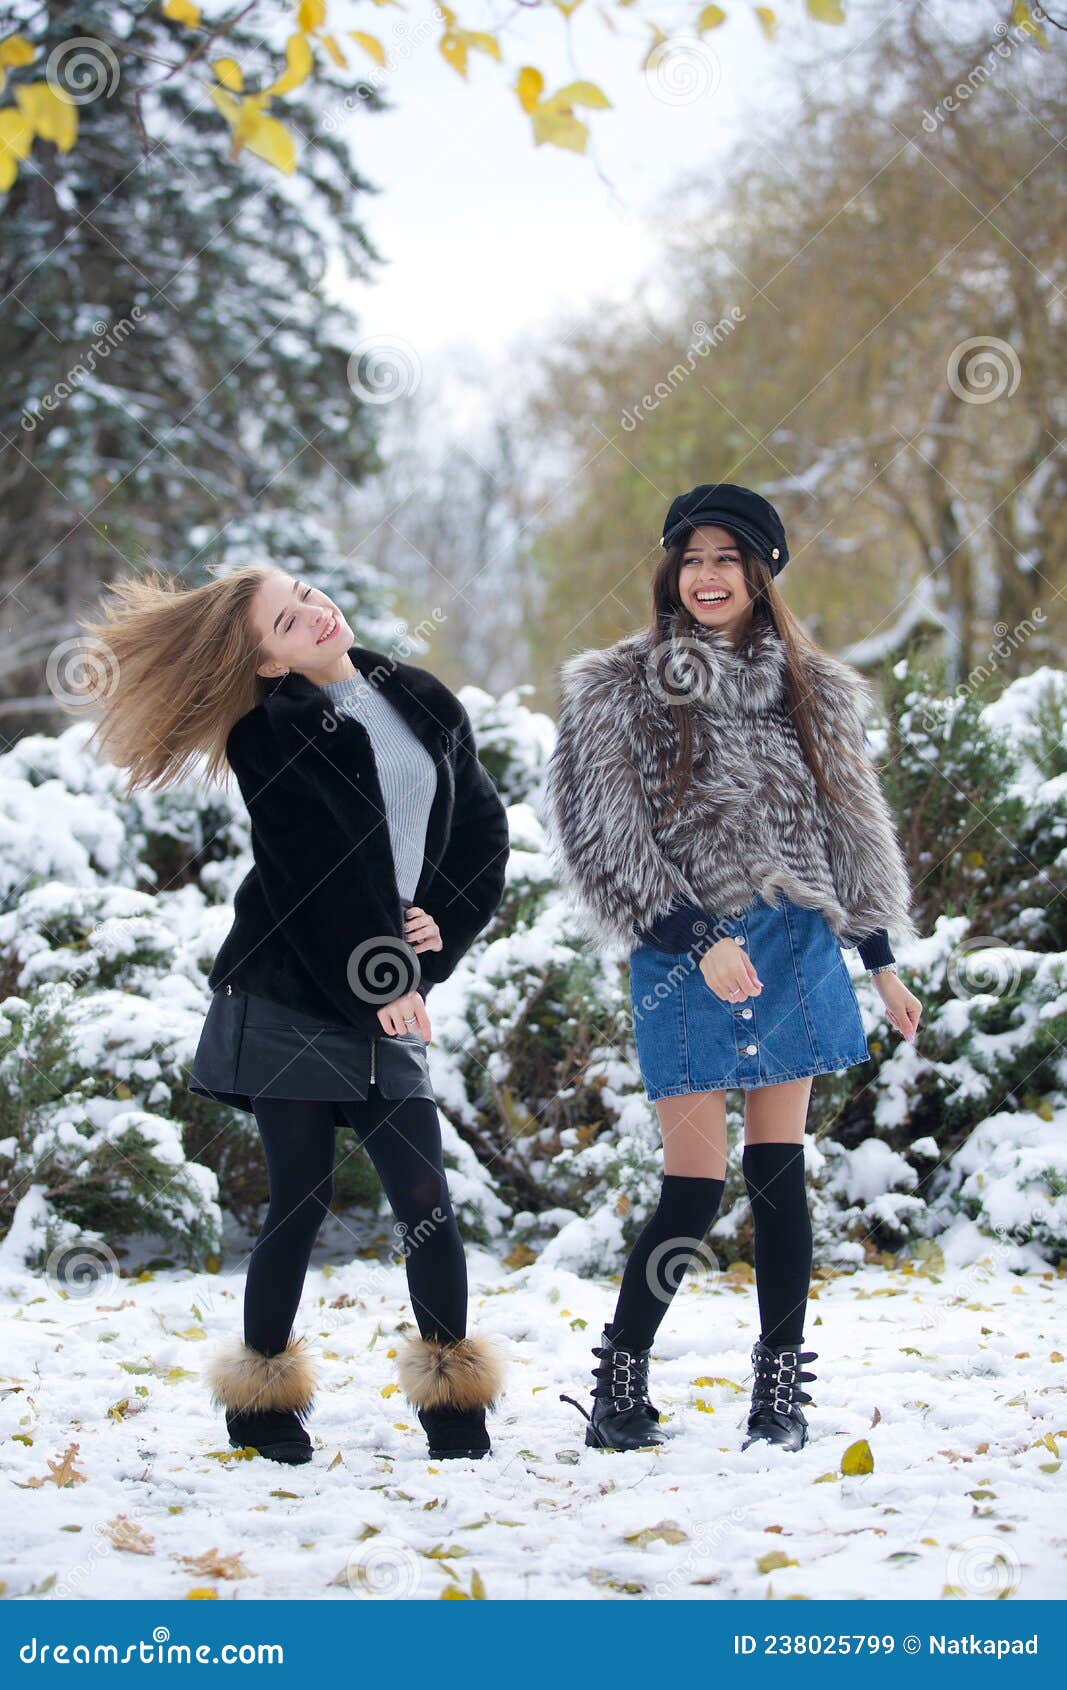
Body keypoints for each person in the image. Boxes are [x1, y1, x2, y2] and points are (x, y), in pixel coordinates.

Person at [68, 565, 510, 1465]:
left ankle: (452, 1399)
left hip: (383, 988)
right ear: (265, 661)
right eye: (285, 617)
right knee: (299, 1198)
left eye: (306, 593)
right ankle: (260, 1404)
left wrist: (441, 929)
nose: (313, 612)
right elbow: (317, 880)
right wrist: (386, 982)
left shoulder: (420, 699)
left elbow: (482, 833)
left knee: (423, 1194)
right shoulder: (269, 736)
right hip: (288, 991)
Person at [544, 483, 923, 1455]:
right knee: (691, 1183)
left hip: (792, 943)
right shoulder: (614, 687)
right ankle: (619, 1383)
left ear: (760, 572)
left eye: (727, 558)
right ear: (669, 569)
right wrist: (692, 936)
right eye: (691, 556)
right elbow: (601, 843)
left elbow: (853, 829)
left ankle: (778, 1392)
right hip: (681, 954)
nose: (706, 575)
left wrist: (877, 960)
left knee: (778, 1172)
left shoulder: (814, 687)